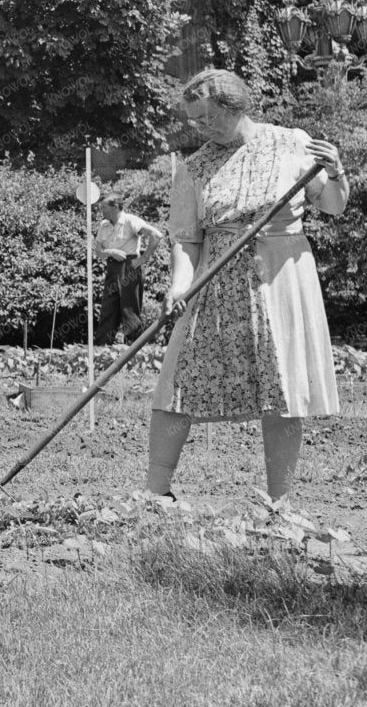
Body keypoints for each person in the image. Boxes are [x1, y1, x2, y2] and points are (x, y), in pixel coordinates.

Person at [148, 69, 349, 504]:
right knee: (177, 379)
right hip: (216, 281)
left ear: (235, 107)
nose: (200, 128)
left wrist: (335, 173)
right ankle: (156, 493)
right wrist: (179, 286)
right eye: (194, 120)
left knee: (283, 388)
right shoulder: (194, 167)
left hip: (280, 277)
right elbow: (186, 239)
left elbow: (333, 206)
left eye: (207, 117)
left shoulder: (291, 144)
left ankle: (280, 503)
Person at [94, 191, 164, 345]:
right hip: (112, 267)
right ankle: (101, 349)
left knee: (129, 310)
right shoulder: (104, 225)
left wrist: (144, 258)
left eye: (104, 207)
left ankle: (133, 349)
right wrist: (111, 252)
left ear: (115, 207)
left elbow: (156, 235)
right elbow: (98, 252)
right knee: (108, 310)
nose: (102, 210)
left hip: (129, 267)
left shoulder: (131, 221)